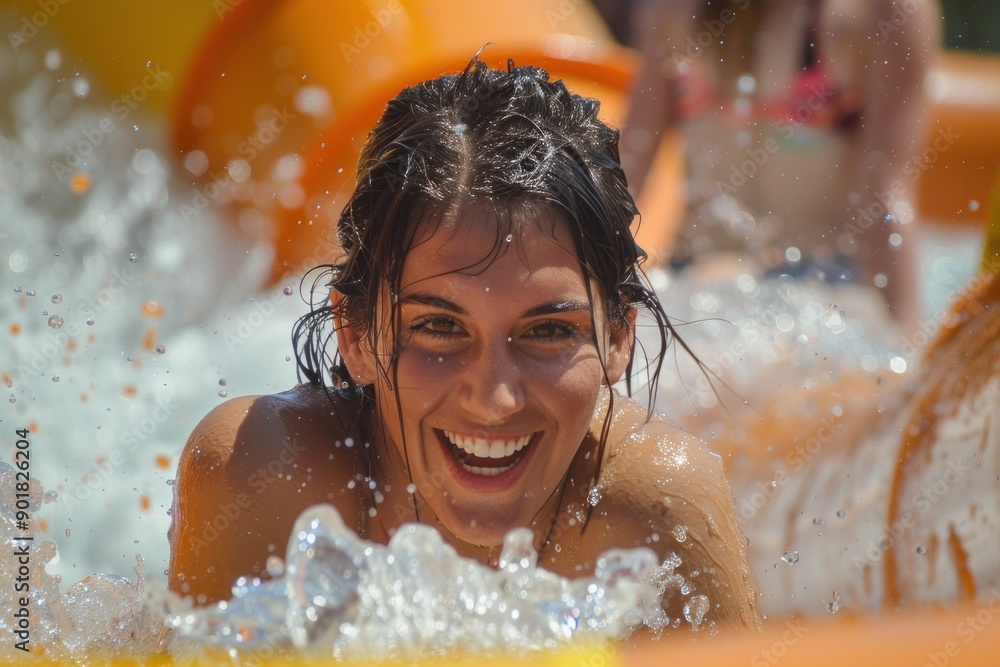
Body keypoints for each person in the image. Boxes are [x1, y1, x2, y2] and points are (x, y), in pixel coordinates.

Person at [167, 57, 763, 633]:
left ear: (618, 338)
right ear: (356, 334)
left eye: (549, 331)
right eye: (439, 328)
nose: (493, 401)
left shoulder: (656, 510)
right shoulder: (263, 476)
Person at [622, 0, 940, 326]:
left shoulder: (881, 12)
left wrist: (907, 333)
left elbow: (884, 197)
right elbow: (624, 181)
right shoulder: (674, 10)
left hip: (813, 289)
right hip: (711, 282)